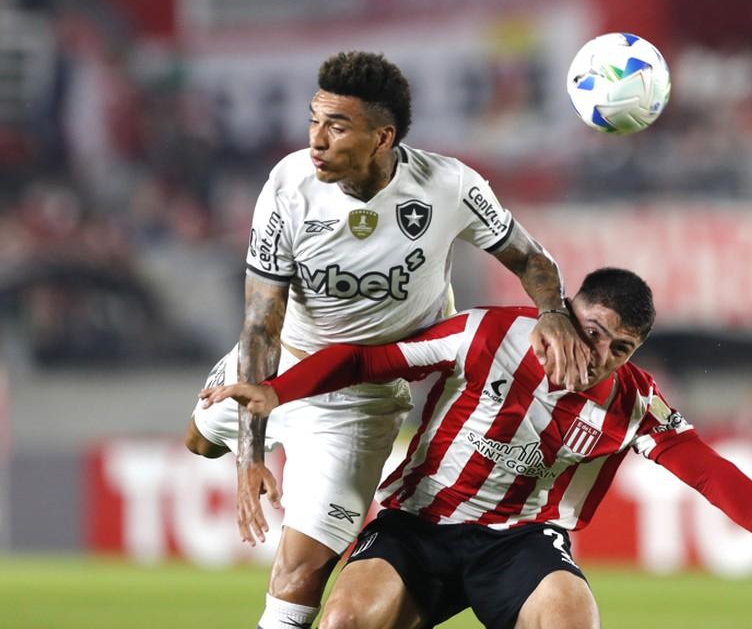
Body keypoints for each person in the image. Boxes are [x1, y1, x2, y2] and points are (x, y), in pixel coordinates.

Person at [201, 267, 752, 629]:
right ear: (565, 311)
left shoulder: (634, 400)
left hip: (520, 541)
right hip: (419, 524)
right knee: (345, 619)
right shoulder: (488, 334)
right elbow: (369, 360)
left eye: (621, 348)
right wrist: (278, 391)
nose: (600, 354)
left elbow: (710, 472)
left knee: (571, 621)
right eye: (593, 331)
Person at [184, 51, 590, 629]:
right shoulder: (289, 184)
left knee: (299, 572)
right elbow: (260, 325)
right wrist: (251, 455)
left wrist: (552, 311)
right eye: (314, 121)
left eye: (336, 126)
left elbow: (531, 258)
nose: (316, 140)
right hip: (280, 363)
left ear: (383, 137)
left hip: (360, 398)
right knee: (199, 444)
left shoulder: (449, 186)